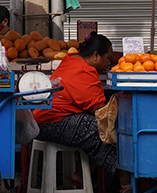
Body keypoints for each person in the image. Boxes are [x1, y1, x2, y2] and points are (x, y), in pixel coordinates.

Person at [33, 33, 122, 183]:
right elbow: (99, 110)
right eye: (108, 58)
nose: (109, 63)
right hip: (51, 122)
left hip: (43, 120)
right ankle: (125, 181)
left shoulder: (71, 60)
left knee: (101, 128)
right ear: (95, 56)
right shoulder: (83, 71)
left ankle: (80, 175)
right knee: (105, 129)